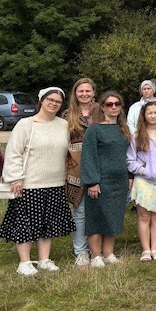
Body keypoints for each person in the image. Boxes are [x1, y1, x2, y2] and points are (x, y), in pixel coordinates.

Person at [0, 87, 74, 276]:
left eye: (58, 101)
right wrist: (15, 178)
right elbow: (14, 152)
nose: (54, 103)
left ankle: (44, 259)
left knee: (48, 224)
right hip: (29, 184)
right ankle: (24, 262)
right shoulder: (26, 124)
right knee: (26, 223)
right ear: (42, 101)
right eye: (50, 99)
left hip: (55, 183)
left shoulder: (64, 125)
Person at [81, 91, 132, 268]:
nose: (113, 107)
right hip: (100, 181)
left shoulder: (123, 129)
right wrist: (92, 181)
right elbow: (88, 156)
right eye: (109, 104)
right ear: (102, 107)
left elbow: (128, 155)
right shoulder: (94, 129)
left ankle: (108, 253)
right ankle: (96, 256)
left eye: (117, 104)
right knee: (96, 217)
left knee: (113, 217)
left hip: (119, 181)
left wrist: (130, 177)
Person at [126, 101, 156, 262]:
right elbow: (130, 161)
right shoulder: (137, 136)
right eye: (150, 113)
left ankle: (155, 248)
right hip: (144, 180)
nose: (153, 115)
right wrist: (146, 171)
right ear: (144, 115)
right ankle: (145, 250)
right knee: (144, 216)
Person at [63, 77, 96, 267]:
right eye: (80, 91)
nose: (84, 94)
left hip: (99, 165)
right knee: (81, 210)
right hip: (76, 167)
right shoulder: (67, 114)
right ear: (75, 93)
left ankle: (96, 249)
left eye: (88, 91)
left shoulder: (101, 111)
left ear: (93, 92)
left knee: (98, 208)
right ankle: (81, 251)